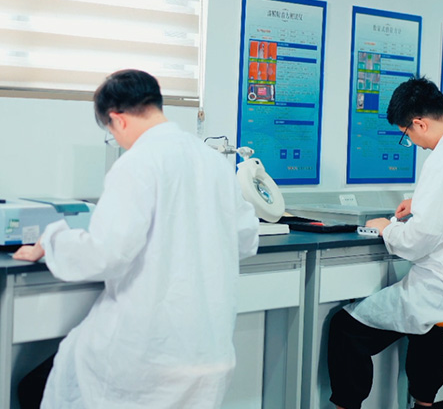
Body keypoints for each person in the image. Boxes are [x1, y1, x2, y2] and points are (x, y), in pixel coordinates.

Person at [13, 69, 260, 408]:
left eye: (111, 133)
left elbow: (105, 253)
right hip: (209, 353)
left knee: (37, 387)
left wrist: (52, 241)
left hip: (148, 358)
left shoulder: (138, 162)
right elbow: (246, 238)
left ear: (118, 119)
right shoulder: (214, 162)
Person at [327, 77, 443, 409]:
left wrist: (386, 229)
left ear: (420, 123)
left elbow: (418, 241)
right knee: (427, 326)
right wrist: (423, 202)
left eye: (407, 134)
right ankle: (424, 404)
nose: (413, 143)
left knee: (346, 327)